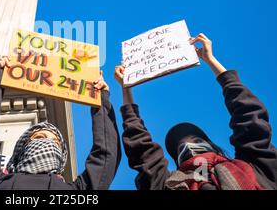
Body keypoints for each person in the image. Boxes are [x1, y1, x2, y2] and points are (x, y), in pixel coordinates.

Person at [116, 33, 277, 190]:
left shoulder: (253, 168)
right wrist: (126, 88)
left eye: (198, 142)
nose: (189, 148)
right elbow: (141, 149)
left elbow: (249, 117)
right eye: (181, 149)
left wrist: (210, 59)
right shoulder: (167, 185)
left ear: (215, 148)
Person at [0, 56, 121, 190]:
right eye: (39, 137)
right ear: (23, 147)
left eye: (55, 142)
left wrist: (100, 100)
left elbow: (107, 155)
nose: (48, 142)